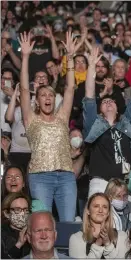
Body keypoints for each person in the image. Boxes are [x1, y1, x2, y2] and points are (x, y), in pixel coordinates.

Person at [19, 31, 78, 222]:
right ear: (37, 101)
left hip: (66, 177)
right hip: (40, 177)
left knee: (68, 223)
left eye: (51, 95)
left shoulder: (62, 117)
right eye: (43, 95)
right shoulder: (31, 119)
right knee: (41, 223)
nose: (47, 98)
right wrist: (26, 57)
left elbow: (69, 89)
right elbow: (24, 90)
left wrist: (69, 57)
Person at [83, 48, 131, 197]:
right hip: (101, 182)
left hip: (126, 182)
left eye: (112, 101)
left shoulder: (126, 123)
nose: (109, 102)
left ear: (118, 110)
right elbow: (90, 97)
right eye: (104, 102)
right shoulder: (94, 124)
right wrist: (91, 66)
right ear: (99, 111)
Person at [69, 193, 129, 258]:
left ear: (108, 213)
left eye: (105, 207)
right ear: (88, 211)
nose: (100, 210)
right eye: (96, 206)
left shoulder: (122, 236)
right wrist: (97, 245)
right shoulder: (76, 239)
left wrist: (108, 244)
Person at [1, 192, 31, 259]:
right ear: (6, 214)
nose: (23, 213)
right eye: (17, 209)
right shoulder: (1, 236)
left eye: (26, 210)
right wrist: (18, 244)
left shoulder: (34, 232)